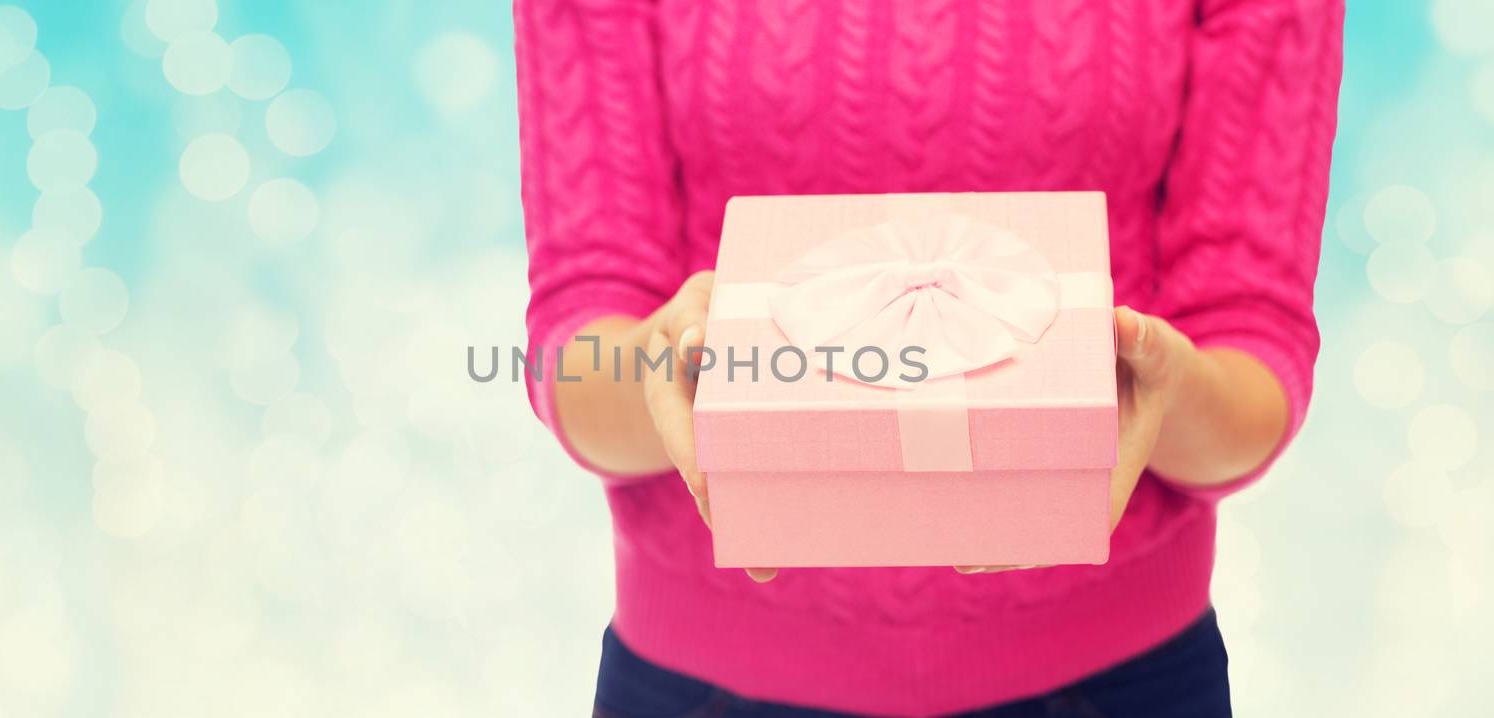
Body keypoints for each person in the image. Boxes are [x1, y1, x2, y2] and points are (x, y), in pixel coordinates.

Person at [513, 1, 1342, 715]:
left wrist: (1161, 385)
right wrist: (663, 366)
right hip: (700, 684)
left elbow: (1251, 342)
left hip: (1122, 679)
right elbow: (581, 336)